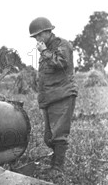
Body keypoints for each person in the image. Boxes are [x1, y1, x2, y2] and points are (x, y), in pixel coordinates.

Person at [29, 17, 77, 176]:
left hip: (62, 95)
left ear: (48, 32)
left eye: (38, 35)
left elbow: (62, 64)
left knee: (58, 134)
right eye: (35, 37)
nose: (37, 39)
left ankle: (57, 168)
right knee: (48, 137)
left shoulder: (62, 45)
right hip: (49, 97)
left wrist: (44, 52)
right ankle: (54, 163)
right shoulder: (47, 49)